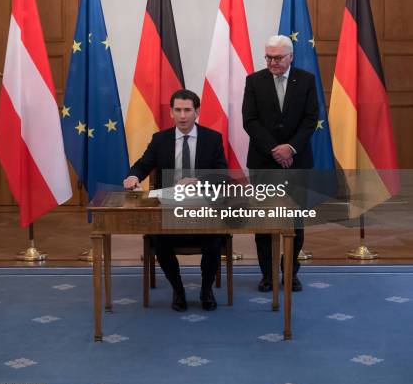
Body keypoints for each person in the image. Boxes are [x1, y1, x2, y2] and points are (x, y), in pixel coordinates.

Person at [123, 89, 227, 312]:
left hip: (202, 210)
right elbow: (143, 164)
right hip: (169, 210)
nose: (183, 116)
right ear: (171, 112)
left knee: (214, 241)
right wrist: (133, 176)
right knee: (161, 242)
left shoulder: (212, 139)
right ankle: (178, 290)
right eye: (178, 110)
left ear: (197, 111)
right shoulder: (161, 139)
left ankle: (206, 290)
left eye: (187, 110)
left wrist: (198, 181)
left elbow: (221, 175)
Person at [242, 35, 318, 292]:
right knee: (264, 222)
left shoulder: (306, 80)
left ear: (291, 57)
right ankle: (267, 274)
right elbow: (249, 121)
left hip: (297, 161)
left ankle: (291, 272)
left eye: (277, 57)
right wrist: (275, 149)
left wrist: (290, 148)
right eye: (268, 57)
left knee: (295, 221)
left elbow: (311, 120)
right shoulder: (254, 81)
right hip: (264, 161)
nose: (272, 62)